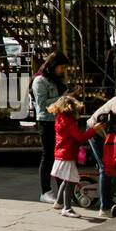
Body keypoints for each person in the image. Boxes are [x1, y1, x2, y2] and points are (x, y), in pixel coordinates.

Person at [48, 95, 100, 218]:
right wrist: (94, 130)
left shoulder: (59, 119)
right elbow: (81, 138)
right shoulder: (69, 122)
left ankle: (59, 202)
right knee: (71, 180)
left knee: (66, 179)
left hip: (60, 153)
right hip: (67, 154)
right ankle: (67, 208)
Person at [31, 51, 69, 202]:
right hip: (46, 121)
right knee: (48, 156)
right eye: (61, 67)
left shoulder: (54, 80)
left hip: (59, 120)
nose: (62, 70)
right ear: (53, 65)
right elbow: (43, 104)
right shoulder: (40, 81)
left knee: (60, 156)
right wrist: (65, 97)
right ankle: (45, 191)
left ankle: (62, 189)